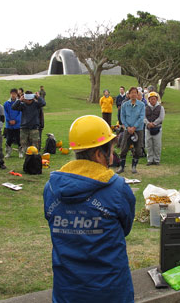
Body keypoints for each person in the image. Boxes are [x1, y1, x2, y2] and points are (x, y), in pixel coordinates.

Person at [44, 115, 135, 303]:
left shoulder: (51, 188)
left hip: (67, 292)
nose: (112, 156)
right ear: (98, 154)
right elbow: (125, 228)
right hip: (111, 292)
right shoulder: (117, 189)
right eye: (110, 151)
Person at [118, 87, 145, 174]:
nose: (133, 94)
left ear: (137, 95)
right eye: (131, 93)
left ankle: (134, 167)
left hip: (138, 129)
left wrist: (134, 127)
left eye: (135, 93)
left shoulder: (141, 105)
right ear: (129, 95)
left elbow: (141, 117)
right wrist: (128, 127)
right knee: (124, 148)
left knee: (138, 149)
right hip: (127, 129)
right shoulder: (125, 105)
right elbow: (122, 117)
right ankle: (121, 166)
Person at [12, 91, 46, 156]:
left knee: (35, 145)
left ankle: (35, 157)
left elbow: (43, 103)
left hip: (34, 128)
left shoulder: (36, 104)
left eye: (30, 100)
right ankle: (26, 156)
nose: (28, 101)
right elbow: (13, 107)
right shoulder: (22, 105)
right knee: (24, 145)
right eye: (27, 100)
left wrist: (38, 97)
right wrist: (19, 100)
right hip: (24, 128)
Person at [144, 92, 165, 166]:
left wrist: (154, 123)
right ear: (149, 100)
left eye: (154, 99)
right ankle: (149, 159)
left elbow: (161, 117)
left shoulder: (161, 107)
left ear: (156, 99)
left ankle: (156, 160)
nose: (153, 100)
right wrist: (148, 123)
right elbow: (143, 117)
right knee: (148, 144)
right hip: (148, 128)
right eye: (151, 99)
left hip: (157, 128)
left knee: (157, 145)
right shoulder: (145, 107)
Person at [3, 88, 22, 158]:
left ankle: (20, 151)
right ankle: (8, 152)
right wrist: (9, 120)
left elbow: (20, 113)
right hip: (9, 125)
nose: (13, 95)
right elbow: (5, 113)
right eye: (12, 94)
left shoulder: (19, 103)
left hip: (17, 124)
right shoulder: (6, 103)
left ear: (17, 95)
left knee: (18, 139)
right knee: (9, 139)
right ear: (10, 94)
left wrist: (16, 120)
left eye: (15, 94)